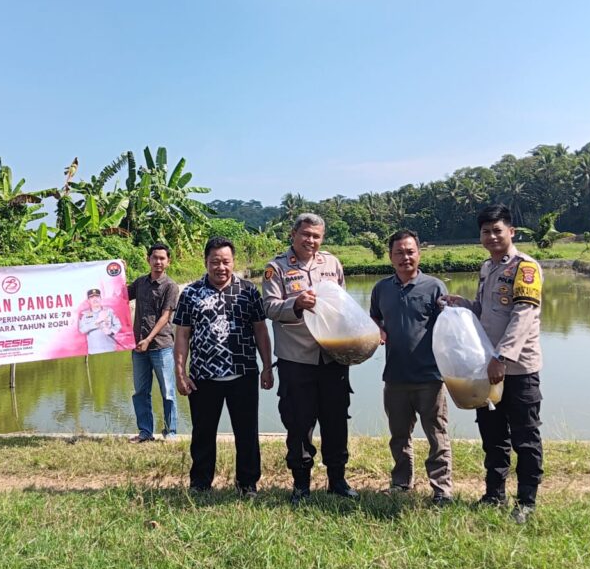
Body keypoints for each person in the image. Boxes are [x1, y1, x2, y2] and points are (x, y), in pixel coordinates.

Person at [442, 204, 544, 524]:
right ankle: (494, 494)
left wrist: (503, 357)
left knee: (525, 436)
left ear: (511, 232)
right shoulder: (487, 268)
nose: (492, 236)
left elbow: (522, 316)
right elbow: (488, 313)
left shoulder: (525, 268)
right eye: (486, 231)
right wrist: (465, 305)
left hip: (518, 368)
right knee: (493, 433)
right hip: (488, 368)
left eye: (498, 230)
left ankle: (526, 501)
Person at [262, 213, 356, 503]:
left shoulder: (332, 263)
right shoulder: (275, 268)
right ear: (293, 234)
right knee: (299, 423)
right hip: (297, 359)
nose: (311, 241)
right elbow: (269, 308)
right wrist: (296, 304)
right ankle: (301, 483)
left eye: (316, 236)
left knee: (336, 420)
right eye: (306, 235)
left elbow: (343, 305)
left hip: (332, 357)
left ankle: (337, 480)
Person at [173, 236, 274, 497]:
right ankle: (200, 483)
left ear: (233, 262)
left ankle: (247, 483)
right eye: (214, 262)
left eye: (226, 262)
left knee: (247, 432)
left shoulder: (248, 291)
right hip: (203, 376)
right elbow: (182, 335)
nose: (221, 267)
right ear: (206, 262)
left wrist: (266, 366)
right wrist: (180, 372)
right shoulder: (191, 293)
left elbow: (261, 330)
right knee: (203, 433)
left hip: (243, 373)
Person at [370, 230, 453, 505]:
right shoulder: (381, 288)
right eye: (399, 253)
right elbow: (374, 320)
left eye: (410, 251)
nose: (405, 257)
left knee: (436, 435)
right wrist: (377, 331)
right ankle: (401, 482)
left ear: (418, 253)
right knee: (399, 436)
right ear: (390, 257)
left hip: (430, 376)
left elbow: (449, 327)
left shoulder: (435, 287)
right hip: (395, 376)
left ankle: (442, 489)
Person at [127, 243, 180, 442]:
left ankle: (171, 432)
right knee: (141, 391)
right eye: (154, 257)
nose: (158, 262)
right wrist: (116, 272)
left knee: (167, 392)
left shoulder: (170, 286)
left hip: (161, 347)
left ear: (168, 262)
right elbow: (121, 295)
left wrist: (148, 339)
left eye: (162, 258)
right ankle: (145, 432)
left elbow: (165, 316)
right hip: (138, 348)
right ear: (148, 259)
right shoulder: (140, 283)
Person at [78, 288, 121, 354]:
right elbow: (82, 330)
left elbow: (118, 325)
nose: (95, 299)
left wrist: (111, 331)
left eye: (97, 296)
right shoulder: (84, 314)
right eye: (92, 297)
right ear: (88, 300)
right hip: (94, 351)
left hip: (110, 349)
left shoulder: (109, 311)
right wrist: (97, 322)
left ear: (100, 298)